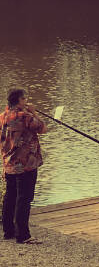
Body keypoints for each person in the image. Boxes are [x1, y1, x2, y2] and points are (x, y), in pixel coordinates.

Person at [1, 88, 46, 244]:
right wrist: (34, 112)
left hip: (9, 163)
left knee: (10, 196)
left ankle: (8, 231)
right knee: (24, 198)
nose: (26, 101)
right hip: (26, 164)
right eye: (25, 99)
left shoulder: (2, 117)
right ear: (20, 100)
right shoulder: (25, 116)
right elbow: (42, 128)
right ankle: (23, 235)